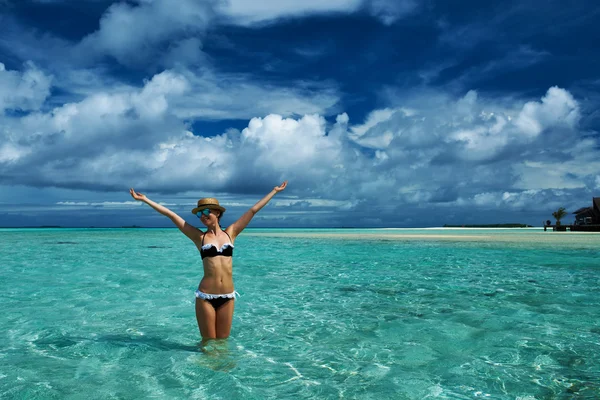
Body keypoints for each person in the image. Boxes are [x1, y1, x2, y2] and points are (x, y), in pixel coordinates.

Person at [129, 181, 288, 340]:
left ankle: (222, 366)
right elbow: (171, 215)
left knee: (222, 343)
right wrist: (145, 200)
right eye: (199, 214)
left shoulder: (230, 233)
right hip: (205, 297)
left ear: (217, 213)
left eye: (206, 211)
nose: (202, 216)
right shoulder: (200, 237)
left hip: (228, 296)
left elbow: (253, 210)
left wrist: (274, 191)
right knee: (208, 344)